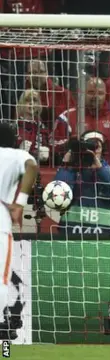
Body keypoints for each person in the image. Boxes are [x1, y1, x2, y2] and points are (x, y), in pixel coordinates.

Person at [0, 123, 38, 319]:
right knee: (1, 280)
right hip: (1, 222)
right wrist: (20, 202)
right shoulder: (15, 155)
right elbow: (32, 166)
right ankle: (2, 345)